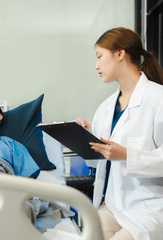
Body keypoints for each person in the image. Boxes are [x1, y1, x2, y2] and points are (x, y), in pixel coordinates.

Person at [77, 27, 163, 240]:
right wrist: (86, 138)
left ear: (119, 54)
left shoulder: (158, 99)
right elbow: (100, 163)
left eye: (99, 57)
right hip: (113, 205)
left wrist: (126, 155)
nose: (96, 66)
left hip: (149, 206)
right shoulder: (105, 108)